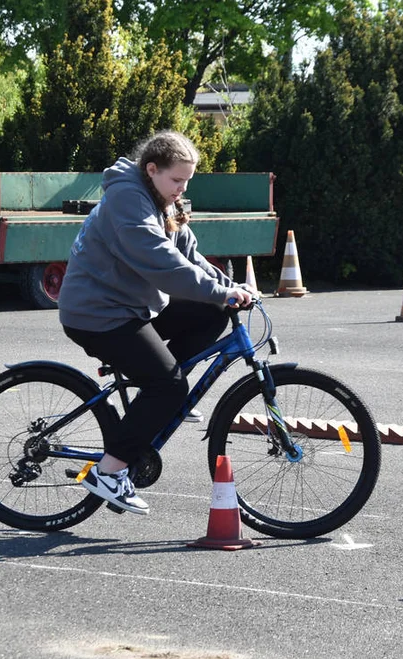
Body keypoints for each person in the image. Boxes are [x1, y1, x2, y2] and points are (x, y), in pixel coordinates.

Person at [58, 130, 255, 515]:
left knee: (213, 311)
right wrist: (219, 291)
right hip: (97, 313)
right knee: (169, 387)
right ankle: (110, 472)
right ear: (152, 169)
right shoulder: (127, 202)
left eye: (187, 181)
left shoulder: (161, 198)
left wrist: (231, 289)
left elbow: (189, 255)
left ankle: (158, 392)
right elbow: (162, 263)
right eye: (177, 180)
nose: (182, 189)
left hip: (130, 306)